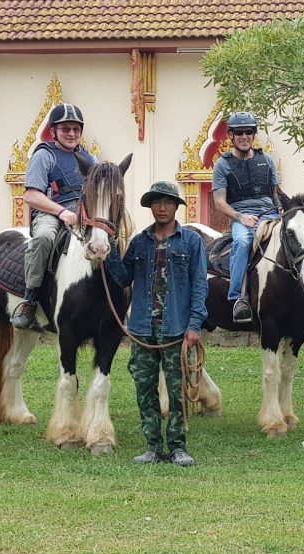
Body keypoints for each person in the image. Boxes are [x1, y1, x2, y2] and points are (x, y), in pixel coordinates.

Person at [105, 181, 208, 467]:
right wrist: (110, 249)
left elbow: (200, 286)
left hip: (176, 329)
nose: (161, 208)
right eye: (156, 203)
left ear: (176, 207)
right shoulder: (139, 242)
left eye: (167, 202)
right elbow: (124, 278)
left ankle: (177, 447)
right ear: (151, 207)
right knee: (145, 389)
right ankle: (152, 445)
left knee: (176, 392)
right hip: (142, 329)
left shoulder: (191, 242)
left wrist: (195, 325)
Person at [211, 111, 304, 326]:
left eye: (249, 132)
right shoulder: (223, 165)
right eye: (239, 132)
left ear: (254, 135)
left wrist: (284, 210)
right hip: (242, 216)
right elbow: (219, 202)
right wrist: (240, 217)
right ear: (231, 135)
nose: (245, 136)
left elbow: (275, 193)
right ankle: (238, 299)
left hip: (271, 214)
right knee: (243, 242)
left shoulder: (267, 161)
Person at [12, 103, 96, 330]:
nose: (71, 134)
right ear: (54, 131)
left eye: (76, 129)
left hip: (84, 215)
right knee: (44, 239)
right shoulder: (44, 155)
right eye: (65, 129)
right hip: (51, 213)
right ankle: (29, 300)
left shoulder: (91, 160)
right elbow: (31, 195)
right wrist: (61, 211)